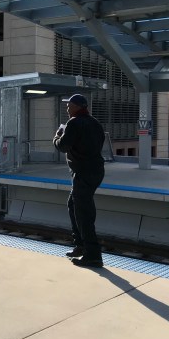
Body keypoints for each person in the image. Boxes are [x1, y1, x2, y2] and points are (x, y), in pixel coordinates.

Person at [53, 94, 106, 268]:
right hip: (96, 171)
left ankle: (93, 255)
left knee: (83, 213)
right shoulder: (95, 123)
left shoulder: (74, 123)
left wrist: (57, 135)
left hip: (83, 173)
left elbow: (63, 146)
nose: (67, 108)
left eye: (69, 105)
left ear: (77, 107)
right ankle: (80, 245)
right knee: (73, 204)